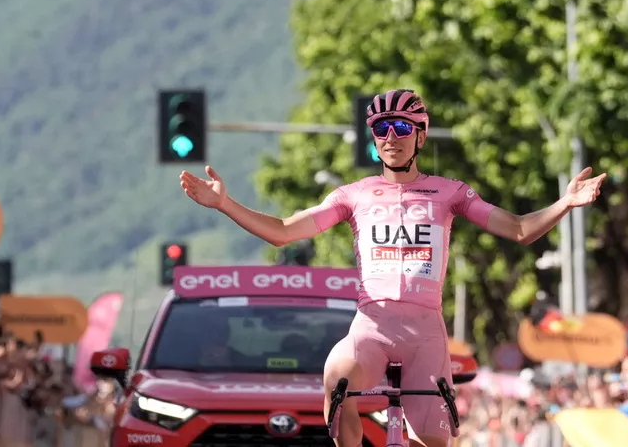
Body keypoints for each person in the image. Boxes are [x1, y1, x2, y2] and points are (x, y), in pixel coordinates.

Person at [180, 88, 606, 447]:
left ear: (420, 136)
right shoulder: (354, 194)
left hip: (425, 333)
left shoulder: (449, 192)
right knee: (338, 376)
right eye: (381, 129)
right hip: (372, 327)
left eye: (402, 127)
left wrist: (565, 203)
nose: (391, 137)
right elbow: (283, 231)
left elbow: (517, 229)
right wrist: (224, 203)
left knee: (433, 440)